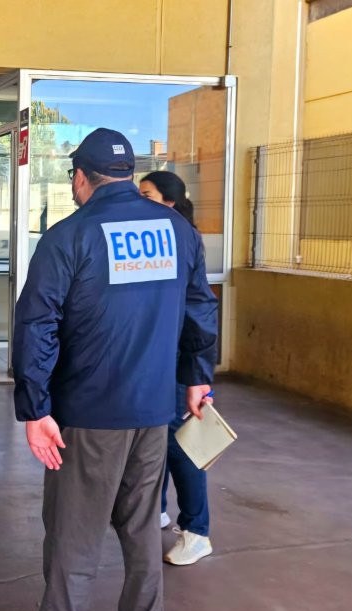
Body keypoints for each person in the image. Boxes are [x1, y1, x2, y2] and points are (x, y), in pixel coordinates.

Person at [12, 129, 218, 611]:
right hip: (154, 410)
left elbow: (37, 325)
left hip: (86, 415)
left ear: (81, 177)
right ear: (128, 175)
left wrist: (35, 408)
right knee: (143, 531)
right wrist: (197, 378)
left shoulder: (68, 236)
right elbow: (199, 308)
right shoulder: (178, 232)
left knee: (74, 534)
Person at [140, 171, 215, 565]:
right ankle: (158, 509)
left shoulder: (183, 239)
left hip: (179, 363)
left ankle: (196, 531)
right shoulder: (149, 237)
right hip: (156, 359)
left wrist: (198, 375)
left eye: (148, 195)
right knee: (156, 438)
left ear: (170, 201)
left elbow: (198, 310)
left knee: (180, 442)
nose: (139, 201)